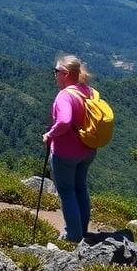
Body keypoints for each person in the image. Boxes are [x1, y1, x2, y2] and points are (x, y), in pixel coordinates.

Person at [42, 54, 96, 243]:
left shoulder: (65, 95)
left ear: (65, 74)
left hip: (66, 152)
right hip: (87, 149)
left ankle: (73, 236)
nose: (55, 75)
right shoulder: (87, 91)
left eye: (56, 71)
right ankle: (83, 230)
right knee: (80, 188)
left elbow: (64, 120)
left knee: (67, 191)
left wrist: (50, 135)